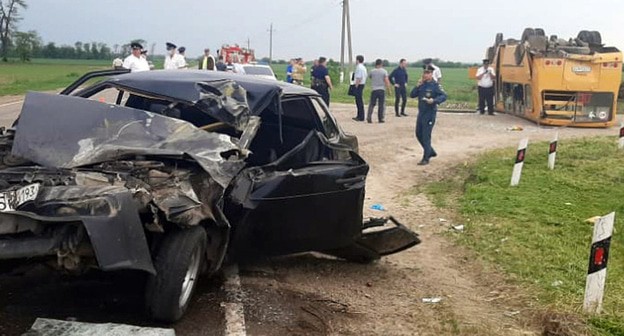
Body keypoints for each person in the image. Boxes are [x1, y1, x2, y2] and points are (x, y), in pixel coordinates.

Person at [410, 66, 447, 165]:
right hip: (421, 113)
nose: (425, 75)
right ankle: (430, 151)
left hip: (430, 113)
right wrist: (417, 86)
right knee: (418, 134)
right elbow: (412, 95)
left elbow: (444, 96)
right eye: (424, 73)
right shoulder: (422, 84)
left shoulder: (435, 85)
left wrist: (434, 101)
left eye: (427, 73)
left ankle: (426, 158)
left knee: (426, 136)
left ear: (431, 74)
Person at [366, 59, 392, 123]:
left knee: (372, 104)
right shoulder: (384, 71)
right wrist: (389, 90)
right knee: (381, 105)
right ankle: (380, 118)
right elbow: (386, 81)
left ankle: (369, 117)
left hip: (374, 89)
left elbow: (370, 77)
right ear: (381, 64)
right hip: (381, 90)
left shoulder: (372, 71)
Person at [352, 55, 367, 121]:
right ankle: (360, 115)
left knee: (359, 101)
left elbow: (359, 77)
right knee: (359, 101)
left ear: (358, 60)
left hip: (359, 85)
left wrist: (356, 86)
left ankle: (360, 116)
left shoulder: (359, 67)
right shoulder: (363, 67)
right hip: (362, 84)